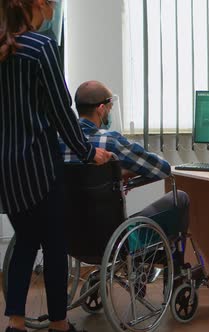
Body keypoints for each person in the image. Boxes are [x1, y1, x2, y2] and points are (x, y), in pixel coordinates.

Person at [0, 1, 112, 332]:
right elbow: (62, 110)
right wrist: (88, 152)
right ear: (39, 5)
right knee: (54, 245)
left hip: (7, 168)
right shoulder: (42, 46)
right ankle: (59, 325)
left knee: (24, 240)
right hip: (39, 165)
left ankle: (15, 323)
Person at [60, 80, 190, 258]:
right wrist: (130, 172)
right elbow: (162, 168)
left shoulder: (59, 142)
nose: (110, 113)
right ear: (101, 109)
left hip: (71, 238)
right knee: (180, 197)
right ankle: (174, 266)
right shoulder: (111, 141)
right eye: (110, 108)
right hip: (113, 239)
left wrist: (116, 176)